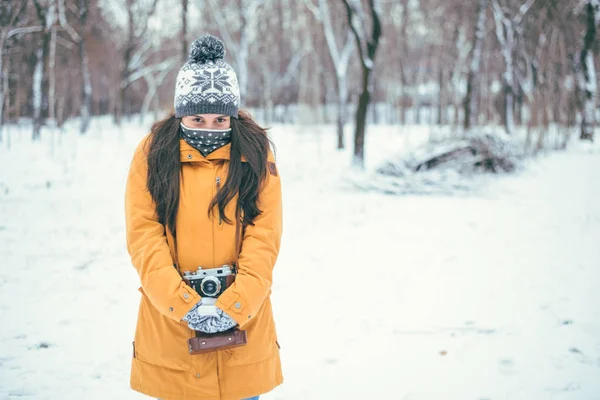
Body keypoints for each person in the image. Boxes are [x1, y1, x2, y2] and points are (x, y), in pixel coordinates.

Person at [124, 34, 283, 400]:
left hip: (242, 331)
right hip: (171, 330)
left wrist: (236, 304)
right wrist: (185, 305)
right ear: (181, 112)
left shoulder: (256, 155)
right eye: (197, 118)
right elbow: (144, 237)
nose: (208, 128)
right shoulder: (152, 155)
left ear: (232, 114)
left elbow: (265, 236)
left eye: (219, 119)